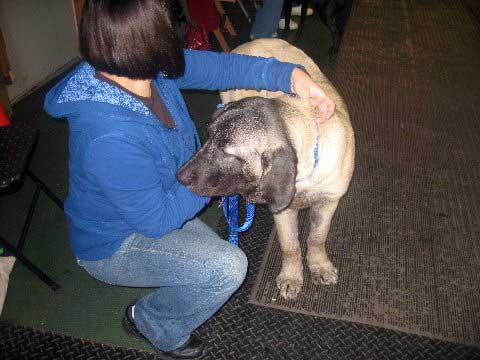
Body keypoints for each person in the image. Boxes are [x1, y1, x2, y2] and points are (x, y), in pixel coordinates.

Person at [44, 0, 335, 358]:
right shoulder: (108, 137)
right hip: (115, 243)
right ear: (146, 41)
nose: (174, 28)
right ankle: (153, 321)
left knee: (207, 253)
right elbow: (157, 220)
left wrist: (292, 76)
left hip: (161, 196)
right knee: (227, 267)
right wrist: (232, 181)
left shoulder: (145, 69)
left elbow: (223, 67)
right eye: (166, 25)